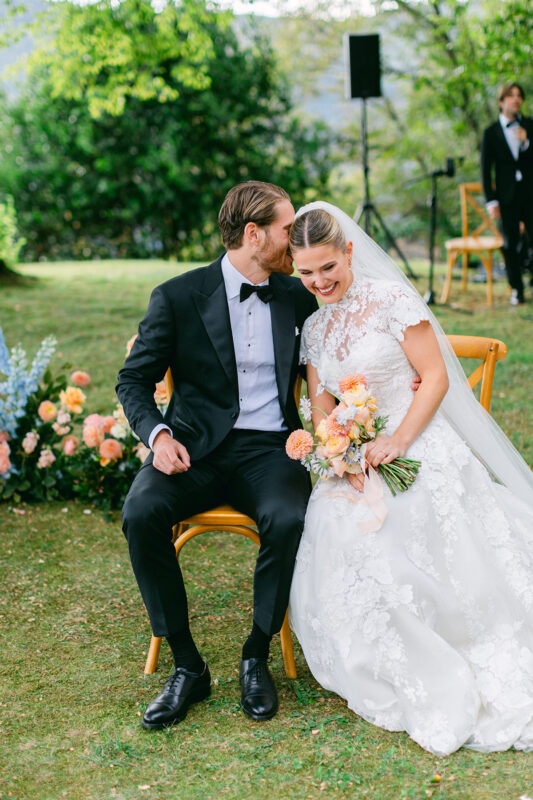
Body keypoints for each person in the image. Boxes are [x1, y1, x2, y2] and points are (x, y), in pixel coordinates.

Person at [288, 201, 533, 756]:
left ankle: (447, 639)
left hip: (415, 437)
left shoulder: (390, 301)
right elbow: (322, 405)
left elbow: (435, 375)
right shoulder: (315, 327)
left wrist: (397, 441)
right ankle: (377, 657)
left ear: (350, 252)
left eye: (329, 267)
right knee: (334, 523)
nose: (320, 282)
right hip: (357, 457)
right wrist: (340, 454)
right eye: (306, 272)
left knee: (403, 520)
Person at [117, 181, 318, 728]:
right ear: (254, 234)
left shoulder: (300, 294)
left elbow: (338, 358)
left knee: (288, 517)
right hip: (193, 448)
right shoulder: (177, 296)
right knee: (141, 512)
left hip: (271, 449)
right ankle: (187, 665)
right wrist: (159, 437)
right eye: (287, 229)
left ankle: (256, 654)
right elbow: (133, 381)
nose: (297, 238)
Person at [481, 81, 533, 305]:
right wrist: (491, 201)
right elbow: (485, 169)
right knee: (509, 243)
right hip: (506, 196)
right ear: (501, 102)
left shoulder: (529, 125)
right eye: (511, 96)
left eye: (519, 96)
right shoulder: (490, 132)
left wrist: (526, 142)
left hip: (529, 192)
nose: (516, 99)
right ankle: (517, 289)